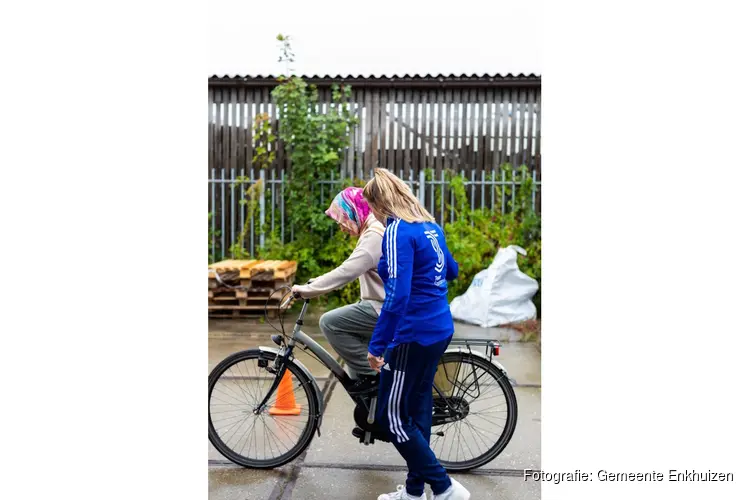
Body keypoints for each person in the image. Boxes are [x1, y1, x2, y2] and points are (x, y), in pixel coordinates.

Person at [362, 168, 470, 500]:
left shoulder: (397, 232)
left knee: (392, 418)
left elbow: (397, 296)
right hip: (439, 328)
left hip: (412, 334)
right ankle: (413, 492)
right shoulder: (431, 228)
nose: (373, 215)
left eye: (372, 208)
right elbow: (451, 270)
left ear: (380, 203)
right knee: (417, 410)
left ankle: (444, 487)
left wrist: (377, 345)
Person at [291, 187, 385, 394]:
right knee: (353, 365)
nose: (341, 228)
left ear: (355, 211)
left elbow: (345, 273)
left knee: (330, 323)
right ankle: (372, 408)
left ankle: (380, 375)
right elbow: (351, 267)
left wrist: (308, 290)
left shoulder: (374, 237)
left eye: (343, 219)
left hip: (382, 308)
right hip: (376, 304)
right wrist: (314, 283)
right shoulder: (373, 230)